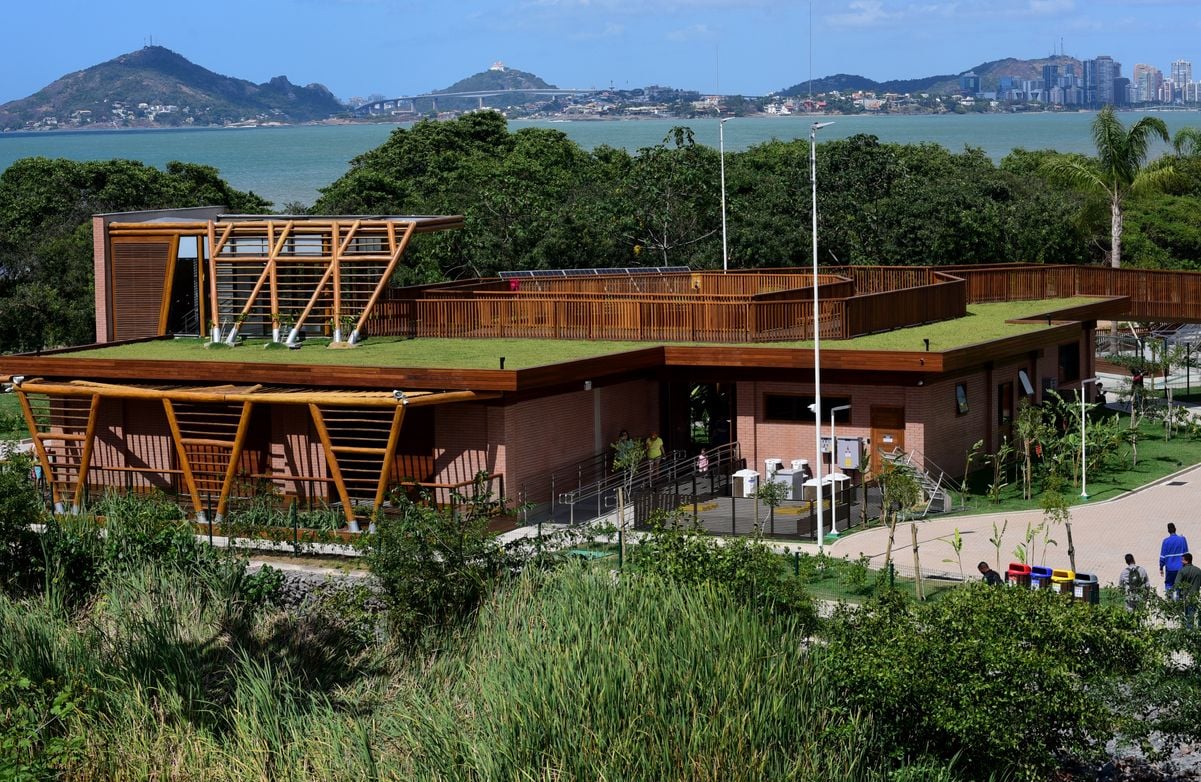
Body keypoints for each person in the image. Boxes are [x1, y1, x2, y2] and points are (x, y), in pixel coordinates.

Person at [1160, 522, 1190, 597]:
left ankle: (1170, 601)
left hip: (1170, 569)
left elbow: (1163, 557)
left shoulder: (1165, 541)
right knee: (1180, 585)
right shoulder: (1182, 539)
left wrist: (1161, 567)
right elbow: (1187, 554)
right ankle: (1179, 602)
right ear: (1175, 529)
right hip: (1181, 568)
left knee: (1169, 584)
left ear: (1168, 531)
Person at [1176, 553, 1201, 629]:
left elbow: (1177, 584)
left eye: (1182, 560)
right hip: (1195, 596)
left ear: (1186, 561)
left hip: (1185, 597)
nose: (1181, 561)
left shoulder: (1182, 571)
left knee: (1186, 615)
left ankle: (1187, 631)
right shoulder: (1198, 570)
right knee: (1192, 614)